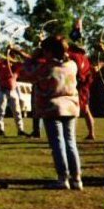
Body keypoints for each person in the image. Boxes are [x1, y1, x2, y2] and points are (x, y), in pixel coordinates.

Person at [18, 35, 83, 190]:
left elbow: (26, 73)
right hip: (71, 107)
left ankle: (62, 178)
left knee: (58, 144)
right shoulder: (72, 65)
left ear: (48, 52)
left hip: (52, 108)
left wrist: (32, 57)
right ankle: (77, 179)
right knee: (70, 143)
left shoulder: (45, 68)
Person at [0, 47, 29, 137]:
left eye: (12, 56)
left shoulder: (16, 66)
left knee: (17, 111)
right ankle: (1, 130)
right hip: (3, 90)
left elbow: (25, 62)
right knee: (1, 110)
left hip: (13, 90)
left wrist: (13, 53)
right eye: (10, 55)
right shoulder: (1, 64)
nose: (11, 57)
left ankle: (20, 130)